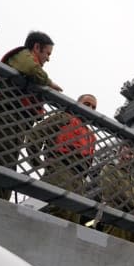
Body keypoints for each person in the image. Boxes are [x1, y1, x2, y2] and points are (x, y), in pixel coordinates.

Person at [0, 31, 64, 200]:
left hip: (14, 123)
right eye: (47, 53)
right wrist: (49, 83)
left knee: (5, 168)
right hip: (5, 118)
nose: (48, 58)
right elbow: (30, 68)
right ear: (36, 47)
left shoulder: (29, 67)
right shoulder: (22, 56)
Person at [26, 94, 98, 223]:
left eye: (93, 107)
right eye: (87, 104)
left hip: (79, 178)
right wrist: (36, 162)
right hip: (61, 168)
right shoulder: (63, 117)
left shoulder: (91, 136)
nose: (90, 109)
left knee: (74, 218)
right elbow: (35, 134)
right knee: (59, 210)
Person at [99, 142, 134, 244]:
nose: (127, 157)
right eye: (125, 153)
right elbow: (111, 192)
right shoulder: (110, 168)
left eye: (131, 154)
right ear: (118, 153)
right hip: (116, 218)